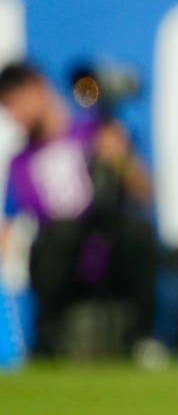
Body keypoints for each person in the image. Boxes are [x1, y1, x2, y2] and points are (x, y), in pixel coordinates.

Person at [0, 61, 160, 360]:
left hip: (108, 249)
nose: (15, 117)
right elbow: (8, 226)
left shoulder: (95, 132)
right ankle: (46, 342)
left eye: (15, 104)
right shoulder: (19, 162)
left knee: (136, 231)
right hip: (58, 260)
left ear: (37, 88)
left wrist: (120, 159)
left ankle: (143, 339)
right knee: (61, 233)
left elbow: (145, 192)